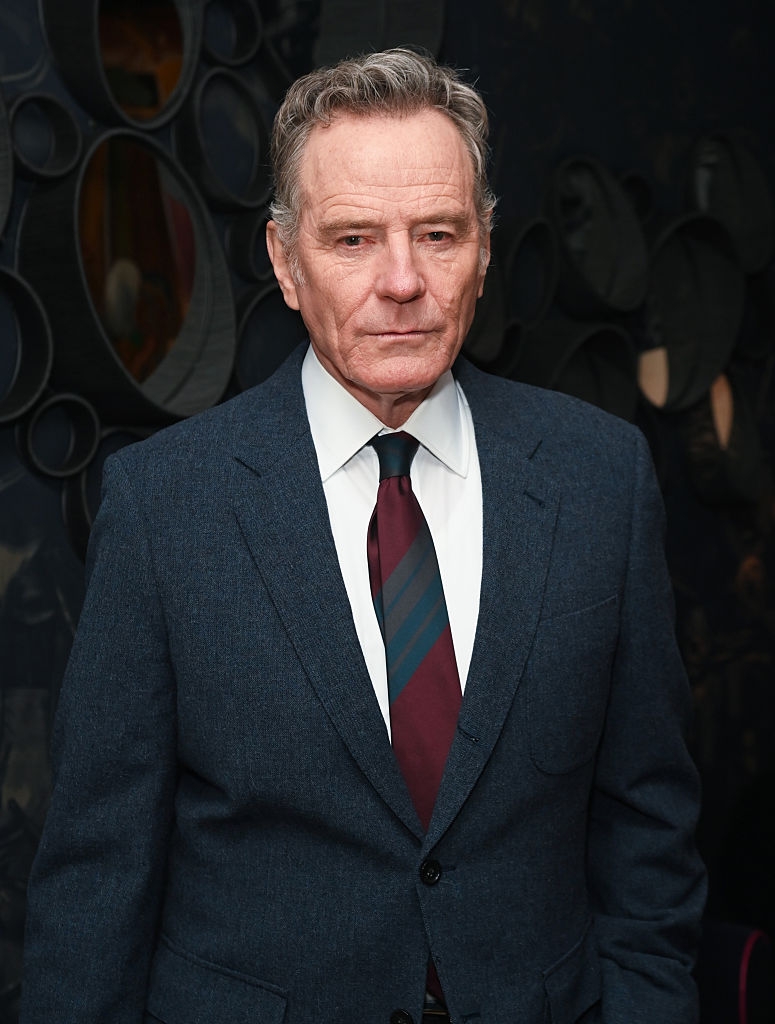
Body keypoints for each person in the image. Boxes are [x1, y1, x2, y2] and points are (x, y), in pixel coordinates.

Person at [21, 48, 705, 1024]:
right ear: (284, 262)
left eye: (437, 233)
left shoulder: (601, 479)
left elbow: (649, 829)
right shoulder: (164, 506)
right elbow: (95, 884)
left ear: (483, 249)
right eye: (351, 239)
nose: (401, 280)